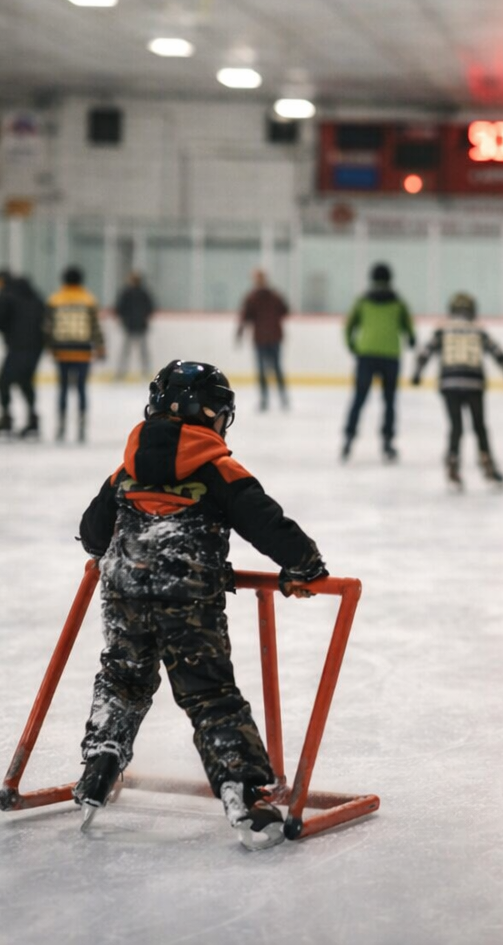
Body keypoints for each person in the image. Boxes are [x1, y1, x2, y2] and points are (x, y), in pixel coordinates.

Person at [73, 360, 329, 848]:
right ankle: (243, 794)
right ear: (200, 412)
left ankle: (99, 765)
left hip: (123, 590)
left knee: (124, 680)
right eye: (219, 413)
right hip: (187, 597)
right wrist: (306, 566)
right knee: (209, 693)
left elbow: (92, 533)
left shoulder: (126, 468)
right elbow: (266, 523)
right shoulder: (216, 467)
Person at [411, 292, 503, 490]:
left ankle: (452, 465)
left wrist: (417, 373)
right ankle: (488, 465)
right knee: (479, 427)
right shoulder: (478, 331)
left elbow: (425, 352)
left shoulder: (443, 330)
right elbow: (499, 354)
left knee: (456, 427)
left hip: (449, 384)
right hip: (474, 384)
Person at [342, 261, 414, 462]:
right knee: (389, 401)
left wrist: (353, 345)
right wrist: (412, 339)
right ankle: (388, 443)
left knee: (359, 398)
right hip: (391, 356)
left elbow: (349, 326)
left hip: (366, 355)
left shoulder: (363, 301)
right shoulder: (398, 302)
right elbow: (408, 327)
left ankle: (348, 438)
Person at [46, 266, 105, 443]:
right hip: (82, 352)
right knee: (81, 389)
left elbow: (48, 326)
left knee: (63, 389)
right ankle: (81, 427)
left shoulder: (55, 300)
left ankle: (62, 425)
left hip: (62, 351)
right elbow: (94, 327)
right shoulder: (88, 300)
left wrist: (49, 346)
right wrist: (100, 346)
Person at [0, 269, 46, 440]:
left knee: (3, 381)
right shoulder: (33, 294)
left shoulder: (6, 294)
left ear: (1, 281)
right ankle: (32, 418)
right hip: (36, 346)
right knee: (26, 381)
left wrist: (10, 334)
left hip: (18, 346)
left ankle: (6, 417)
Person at [236, 270, 290, 412]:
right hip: (262, 339)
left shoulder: (269, 296)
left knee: (276, 369)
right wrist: (240, 332)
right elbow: (245, 316)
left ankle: (282, 398)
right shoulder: (255, 297)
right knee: (263, 371)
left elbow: (285, 310)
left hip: (272, 338)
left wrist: (241, 332)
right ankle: (266, 399)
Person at [113, 273, 155, 381]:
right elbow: (150, 308)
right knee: (135, 351)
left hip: (133, 326)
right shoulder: (139, 293)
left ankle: (123, 373)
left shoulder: (133, 292)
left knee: (135, 351)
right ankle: (124, 373)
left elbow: (120, 308)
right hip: (135, 326)